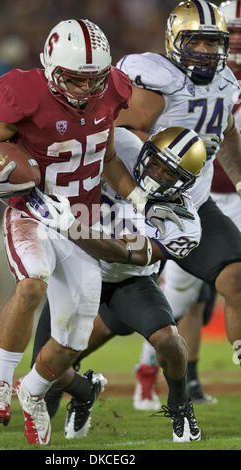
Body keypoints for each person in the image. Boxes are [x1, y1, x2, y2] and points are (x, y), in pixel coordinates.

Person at [0, 19, 184, 446]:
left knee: (70, 342)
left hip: (83, 222)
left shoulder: (113, 89)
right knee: (32, 284)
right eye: (74, 80)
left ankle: (32, 391)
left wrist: (138, 200)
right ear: (49, 67)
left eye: (92, 80)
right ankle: (0, 384)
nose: (84, 90)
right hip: (34, 210)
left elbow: (109, 157)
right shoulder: (25, 93)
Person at [30, 125, 206, 443]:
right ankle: (86, 390)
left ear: (185, 183)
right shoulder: (123, 145)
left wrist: (70, 226)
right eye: (154, 162)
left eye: (169, 173)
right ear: (146, 150)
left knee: (167, 339)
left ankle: (180, 404)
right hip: (74, 274)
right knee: (44, 374)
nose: (155, 174)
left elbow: (128, 256)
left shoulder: (185, 222)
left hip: (128, 283)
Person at [112, 0, 241, 411]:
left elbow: (227, 133)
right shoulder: (155, 79)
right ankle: (58, 376)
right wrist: (135, 191)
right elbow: (115, 135)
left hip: (194, 206)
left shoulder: (227, 84)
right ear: (174, 40)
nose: (205, 51)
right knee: (105, 316)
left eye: (212, 42)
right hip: (138, 206)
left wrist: (239, 178)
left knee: (235, 276)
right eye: (196, 41)